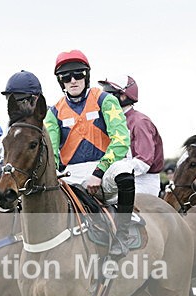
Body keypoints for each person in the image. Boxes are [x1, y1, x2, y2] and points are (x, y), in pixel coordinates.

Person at [43, 50, 133, 256]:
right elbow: (52, 150)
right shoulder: (54, 112)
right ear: (61, 82)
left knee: (124, 171)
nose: (73, 80)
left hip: (105, 170)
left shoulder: (105, 100)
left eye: (78, 74)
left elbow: (121, 140)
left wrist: (99, 172)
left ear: (87, 75)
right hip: (71, 174)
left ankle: (123, 234)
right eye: (66, 77)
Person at [98, 74, 164, 197]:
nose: (104, 100)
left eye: (109, 95)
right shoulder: (109, 122)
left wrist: (115, 169)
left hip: (142, 181)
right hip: (118, 178)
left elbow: (143, 162)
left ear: (123, 96)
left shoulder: (140, 122)